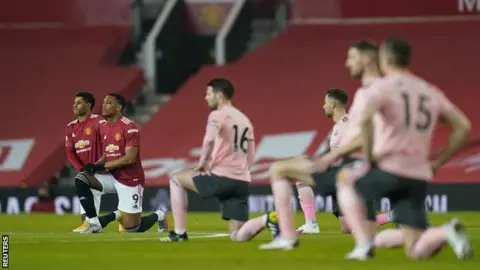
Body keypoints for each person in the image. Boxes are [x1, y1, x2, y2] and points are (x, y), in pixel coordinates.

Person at [335, 38, 473, 260]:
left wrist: (369, 158)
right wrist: (437, 163)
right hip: (417, 175)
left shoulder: (382, 86)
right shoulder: (429, 90)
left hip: (389, 167)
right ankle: (445, 232)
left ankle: (363, 246)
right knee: (415, 250)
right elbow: (463, 127)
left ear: (386, 59)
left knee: (345, 179)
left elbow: (366, 119)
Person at [161, 78, 279, 242]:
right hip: (241, 182)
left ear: (219, 95)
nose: (206, 97)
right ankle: (267, 219)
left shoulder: (217, 115)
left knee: (176, 179)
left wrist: (203, 163)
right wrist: (241, 171)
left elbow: (209, 140)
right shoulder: (245, 120)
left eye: (208, 93)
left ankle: (180, 233)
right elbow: (251, 155)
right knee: (237, 236)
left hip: (221, 178)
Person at [295, 88, 393, 234]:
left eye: (325, 103)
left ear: (333, 104)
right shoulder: (338, 126)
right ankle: (394, 216)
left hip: (349, 178)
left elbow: (353, 151)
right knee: (348, 228)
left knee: (300, 175)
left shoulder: (347, 125)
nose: (323, 106)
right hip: (339, 176)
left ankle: (311, 223)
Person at [74, 93, 167, 234]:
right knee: (82, 178)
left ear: (119, 107)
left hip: (129, 179)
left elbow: (129, 158)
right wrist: (94, 165)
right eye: (104, 102)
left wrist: (100, 166)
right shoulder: (103, 126)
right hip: (111, 176)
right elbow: (108, 153)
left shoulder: (129, 127)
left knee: (132, 229)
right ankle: (93, 222)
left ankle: (159, 215)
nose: (103, 105)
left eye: (108, 103)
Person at [66, 92, 122, 232]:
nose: (75, 105)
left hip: (110, 173)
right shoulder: (70, 127)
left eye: (79, 102)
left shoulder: (99, 122)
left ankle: (100, 220)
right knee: (84, 180)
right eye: (75, 102)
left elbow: (110, 145)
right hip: (91, 174)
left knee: (133, 224)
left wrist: (96, 165)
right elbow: (70, 153)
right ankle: (95, 221)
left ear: (89, 105)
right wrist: (82, 168)